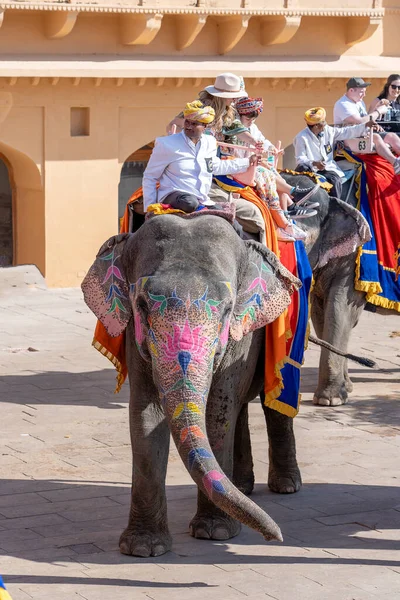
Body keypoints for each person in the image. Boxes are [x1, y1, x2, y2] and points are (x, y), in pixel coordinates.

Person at [142, 101, 257, 214]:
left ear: (205, 126)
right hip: (174, 195)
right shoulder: (166, 144)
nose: (188, 126)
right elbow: (150, 177)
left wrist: (247, 162)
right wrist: (150, 208)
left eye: (194, 124)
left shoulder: (210, 143)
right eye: (187, 122)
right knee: (189, 203)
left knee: (230, 221)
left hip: (201, 199)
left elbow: (216, 166)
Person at [233, 96, 319, 219]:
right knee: (268, 174)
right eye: (248, 119)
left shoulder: (252, 127)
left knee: (274, 173)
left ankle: (290, 205)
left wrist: (271, 147)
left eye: (253, 119)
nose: (251, 122)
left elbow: (262, 140)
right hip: (240, 166)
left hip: (250, 164)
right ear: (240, 115)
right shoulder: (233, 129)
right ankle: (291, 202)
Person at [294, 107, 377, 198]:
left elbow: (346, 131)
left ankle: (335, 204)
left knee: (335, 180)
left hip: (328, 168)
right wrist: (314, 163)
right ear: (316, 126)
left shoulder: (328, 130)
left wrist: (365, 125)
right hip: (311, 170)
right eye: (323, 123)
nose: (325, 124)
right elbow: (300, 159)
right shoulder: (301, 137)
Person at [333, 77, 400, 175]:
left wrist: (375, 123)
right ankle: (395, 163)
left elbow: (367, 118)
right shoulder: (343, 104)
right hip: (347, 138)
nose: (364, 95)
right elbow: (360, 122)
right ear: (351, 90)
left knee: (391, 136)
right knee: (376, 137)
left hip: (362, 134)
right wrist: (379, 111)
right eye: (361, 92)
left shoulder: (359, 102)